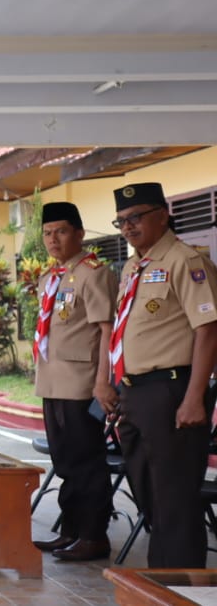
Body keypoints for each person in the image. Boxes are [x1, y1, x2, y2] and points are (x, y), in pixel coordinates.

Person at [102, 182, 217, 568]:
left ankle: (179, 586)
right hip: (136, 394)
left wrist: (194, 398)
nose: (128, 228)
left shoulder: (186, 261)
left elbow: (208, 330)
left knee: (175, 498)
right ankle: (162, 576)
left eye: (136, 217)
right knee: (148, 493)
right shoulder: (136, 266)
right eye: (121, 222)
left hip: (173, 392)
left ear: (163, 214)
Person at [30, 202, 115, 561]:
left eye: (61, 231)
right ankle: (71, 531)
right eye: (48, 233)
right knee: (65, 462)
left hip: (81, 383)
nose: (53, 239)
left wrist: (103, 382)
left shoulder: (94, 273)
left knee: (86, 462)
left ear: (79, 233)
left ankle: (94, 536)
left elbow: (107, 329)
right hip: (52, 381)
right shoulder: (51, 277)